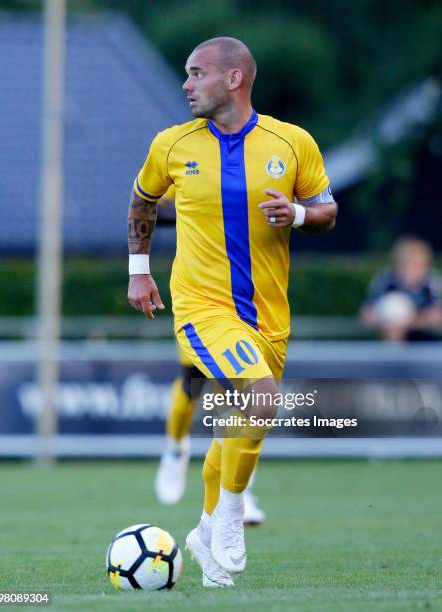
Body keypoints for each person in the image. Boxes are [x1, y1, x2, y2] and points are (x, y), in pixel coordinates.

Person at [127, 37, 337, 587]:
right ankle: (229, 516)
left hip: (269, 316)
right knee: (260, 398)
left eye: (196, 74)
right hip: (202, 307)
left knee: (238, 429)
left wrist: (296, 214)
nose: (186, 84)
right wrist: (139, 271)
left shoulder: (291, 143)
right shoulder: (172, 145)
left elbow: (327, 210)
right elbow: (142, 200)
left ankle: (203, 530)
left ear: (234, 79)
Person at [155, 186, 266, 524]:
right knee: (193, 381)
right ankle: (176, 448)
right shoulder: (190, 155)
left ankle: (239, 491)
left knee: (242, 395)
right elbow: (150, 209)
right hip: (201, 298)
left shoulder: (265, 153)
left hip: (250, 297)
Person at [361, 237, 442, 342]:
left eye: (418, 264)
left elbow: (437, 315)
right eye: (407, 264)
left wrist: (408, 323)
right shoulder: (384, 282)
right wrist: (388, 322)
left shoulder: (432, 282)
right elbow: (366, 314)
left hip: (427, 344)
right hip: (390, 344)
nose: (412, 270)